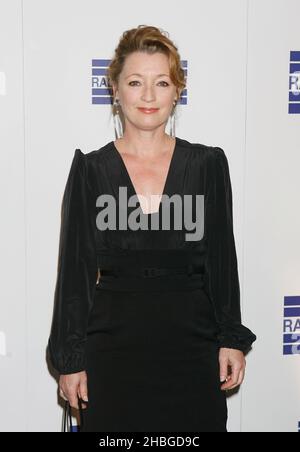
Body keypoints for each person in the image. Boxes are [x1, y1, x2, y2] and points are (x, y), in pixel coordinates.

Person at [47, 25, 256, 432]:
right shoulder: (91, 170)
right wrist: (71, 361)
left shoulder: (207, 165)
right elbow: (74, 275)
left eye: (161, 82)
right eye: (135, 82)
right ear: (115, 88)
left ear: (177, 90)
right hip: (112, 352)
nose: (147, 96)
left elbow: (221, 261)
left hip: (194, 349)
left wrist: (230, 336)